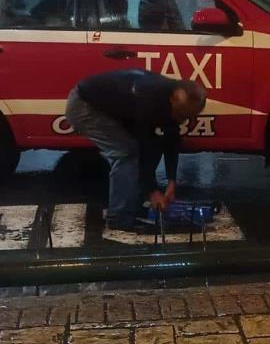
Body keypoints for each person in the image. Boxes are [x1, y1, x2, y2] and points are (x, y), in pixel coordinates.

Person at [65, 69, 207, 232]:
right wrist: (153, 190)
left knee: (152, 148)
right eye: (183, 115)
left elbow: (171, 140)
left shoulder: (174, 101)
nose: (184, 120)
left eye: (190, 116)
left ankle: (134, 203)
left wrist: (171, 182)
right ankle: (119, 218)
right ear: (172, 100)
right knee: (126, 154)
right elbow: (143, 144)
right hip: (85, 106)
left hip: (115, 110)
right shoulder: (148, 98)